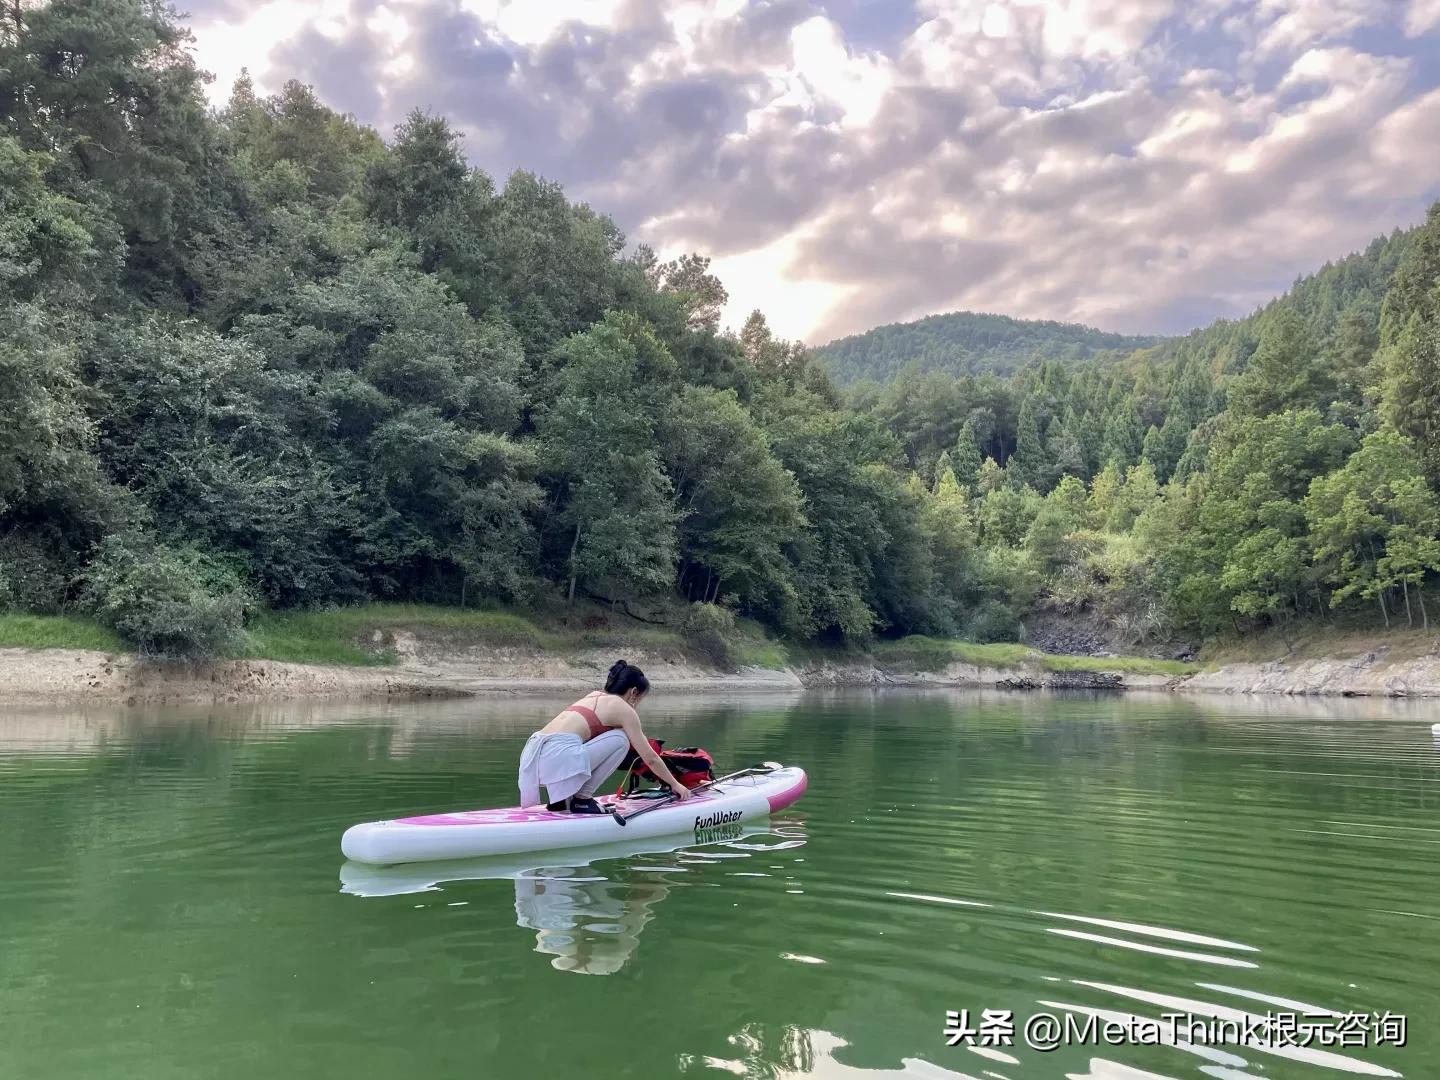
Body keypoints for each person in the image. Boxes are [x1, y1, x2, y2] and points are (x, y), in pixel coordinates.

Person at [517, 660, 694, 814]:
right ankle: (582, 799)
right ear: (633, 692)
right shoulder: (623, 709)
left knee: (584, 743)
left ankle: (559, 801)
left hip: (532, 759)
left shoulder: (593, 696)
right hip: (555, 758)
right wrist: (675, 784)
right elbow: (651, 758)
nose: (638, 703)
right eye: (640, 698)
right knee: (620, 739)